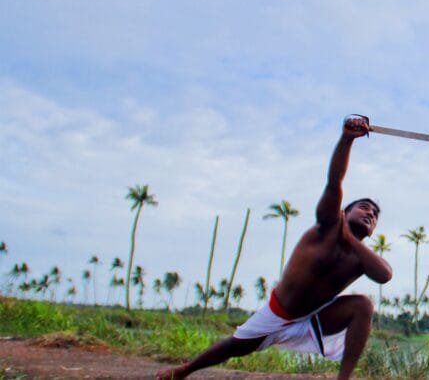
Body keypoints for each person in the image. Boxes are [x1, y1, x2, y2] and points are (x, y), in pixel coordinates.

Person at [156, 116, 392, 380]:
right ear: (344, 211)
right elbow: (334, 180)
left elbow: (384, 275)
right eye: (363, 207)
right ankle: (183, 370)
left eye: (375, 214)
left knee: (363, 305)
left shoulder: (362, 257)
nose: (370, 213)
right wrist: (347, 140)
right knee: (235, 347)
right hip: (279, 311)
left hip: (314, 317)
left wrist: (351, 241)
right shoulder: (327, 224)